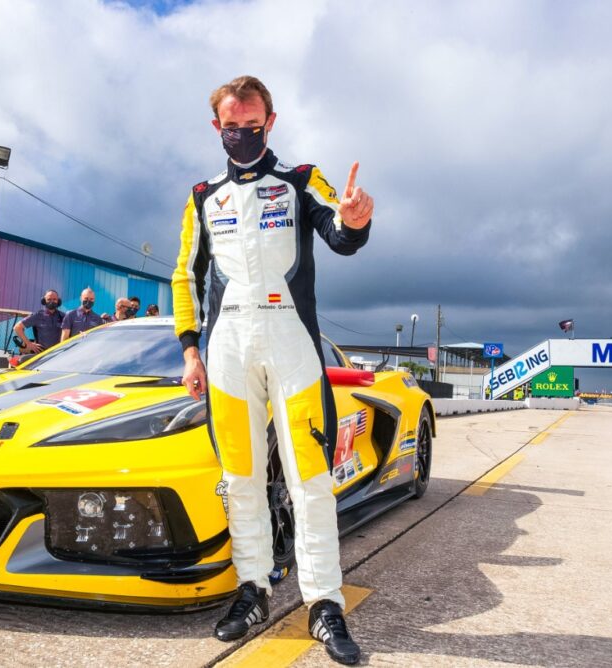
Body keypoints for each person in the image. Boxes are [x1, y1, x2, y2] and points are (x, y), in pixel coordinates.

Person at [172, 75, 372, 665]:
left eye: (252, 125)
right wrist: (190, 349)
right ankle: (252, 589)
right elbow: (184, 275)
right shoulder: (202, 195)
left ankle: (324, 604)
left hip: (292, 344)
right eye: (231, 127)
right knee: (240, 479)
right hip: (227, 346)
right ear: (217, 128)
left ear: (270, 122)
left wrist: (356, 219)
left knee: (310, 479)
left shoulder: (303, 179)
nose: (241, 135)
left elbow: (341, 233)